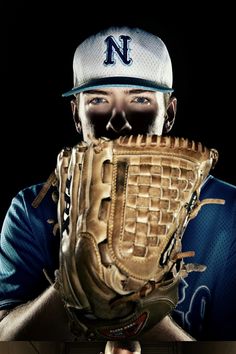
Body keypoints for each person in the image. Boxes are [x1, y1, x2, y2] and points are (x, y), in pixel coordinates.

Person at [0, 26, 235, 341]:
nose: (117, 121)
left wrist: (134, 300)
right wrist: (70, 289)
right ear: (76, 114)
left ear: (169, 113)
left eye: (139, 99)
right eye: (98, 100)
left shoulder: (227, 212)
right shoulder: (32, 210)